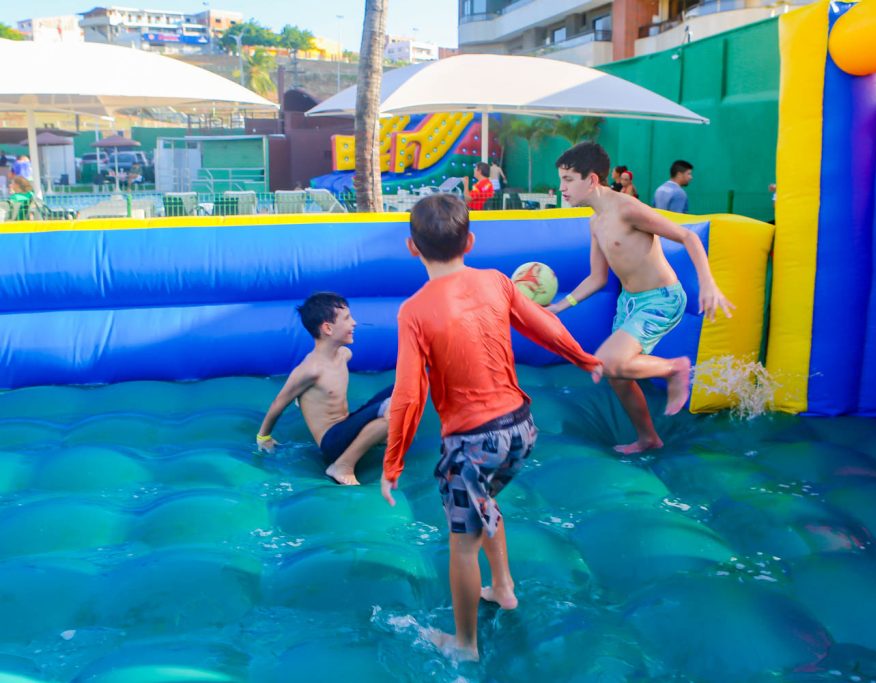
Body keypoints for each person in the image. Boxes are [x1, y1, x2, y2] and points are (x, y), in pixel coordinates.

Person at [380, 194, 601, 661]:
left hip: (472, 442)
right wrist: (583, 358)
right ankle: (503, 587)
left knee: (462, 546)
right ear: (471, 241)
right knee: (486, 501)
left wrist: (393, 461)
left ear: (411, 248)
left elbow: (408, 395)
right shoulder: (496, 281)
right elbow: (542, 324)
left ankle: (464, 646)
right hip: (521, 429)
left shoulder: (414, 311)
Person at [548, 142, 734, 454]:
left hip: (661, 299)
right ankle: (648, 438)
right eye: (561, 180)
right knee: (618, 378)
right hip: (630, 304)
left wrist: (708, 284)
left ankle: (674, 368)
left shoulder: (627, 209)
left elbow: (687, 236)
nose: (561, 188)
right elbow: (598, 278)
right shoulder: (595, 222)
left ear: (591, 179)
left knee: (608, 362)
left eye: (568, 180)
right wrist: (558, 307)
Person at [256, 292, 392, 485]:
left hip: (347, 424)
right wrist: (264, 436)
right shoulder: (310, 370)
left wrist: (303, 396)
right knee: (393, 409)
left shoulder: (344, 354)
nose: (354, 323)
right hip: (332, 442)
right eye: (347, 318)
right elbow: (279, 402)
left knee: (402, 390)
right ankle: (342, 466)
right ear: (328, 328)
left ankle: (373, 436)